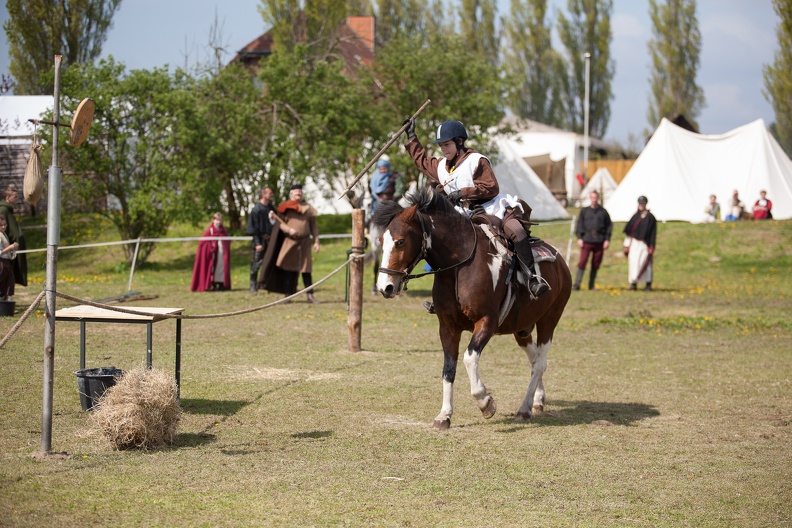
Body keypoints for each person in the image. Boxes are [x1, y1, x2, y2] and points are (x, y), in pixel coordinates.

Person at [403, 118, 549, 299]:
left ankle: (532, 279)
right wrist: (411, 137)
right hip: (462, 214)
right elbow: (422, 161)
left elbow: (491, 187)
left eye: (447, 144)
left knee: (516, 231)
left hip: (491, 207)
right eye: (441, 145)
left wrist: (463, 193)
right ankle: (445, 298)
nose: (443, 149)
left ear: (460, 142)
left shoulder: (476, 160)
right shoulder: (441, 166)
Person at [259, 184, 320, 303]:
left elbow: (314, 226)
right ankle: (288, 295)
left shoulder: (308, 208)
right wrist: (289, 230)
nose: (298, 193)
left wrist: (316, 241)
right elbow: (279, 224)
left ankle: (310, 295)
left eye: (300, 191)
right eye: (296, 192)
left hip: (305, 242)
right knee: (289, 269)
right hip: (290, 242)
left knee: (306, 269)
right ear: (291, 193)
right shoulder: (286, 207)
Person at [573, 190, 612, 291]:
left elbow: (609, 226)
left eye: (595, 197)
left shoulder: (603, 211)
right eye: (592, 197)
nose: (594, 199)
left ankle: (591, 285)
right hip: (587, 239)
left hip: (599, 240)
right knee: (582, 262)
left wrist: (607, 239)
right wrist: (580, 237)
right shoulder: (584, 211)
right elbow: (580, 224)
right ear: (590, 198)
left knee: (595, 263)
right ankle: (577, 284)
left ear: (597, 198)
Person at [190, 212, 231, 292]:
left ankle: (221, 283)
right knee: (213, 268)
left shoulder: (223, 232)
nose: (218, 222)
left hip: (221, 255)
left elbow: (227, 241)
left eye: (220, 220)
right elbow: (203, 243)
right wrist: (210, 248)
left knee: (221, 267)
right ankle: (213, 283)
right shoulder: (209, 231)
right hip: (213, 255)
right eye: (217, 220)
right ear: (213, 220)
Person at [623, 196, 657, 291]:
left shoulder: (650, 218)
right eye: (640, 203)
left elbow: (653, 233)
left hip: (644, 244)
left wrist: (652, 246)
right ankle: (633, 283)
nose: (641, 205)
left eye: (642, 203)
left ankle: (648, 284)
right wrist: (626, 244)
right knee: (633, 263)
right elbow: (629, 232)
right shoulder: (635, 216)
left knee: (645, 263)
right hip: (634, 243)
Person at [247, 186, 277, 294]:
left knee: (271, 263)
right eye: (269, 193)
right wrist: (257, 243)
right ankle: (253, 286)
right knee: (256, 264)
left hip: (271, 240)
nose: (271, 195)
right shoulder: (256, 210)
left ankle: (267, 285)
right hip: (260, 240)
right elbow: (254, 228)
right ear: (263, 195)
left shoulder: (271, 208)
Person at [0, 186, 27, 287]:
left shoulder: (8, 209)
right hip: (5, 250)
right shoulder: (3, 209)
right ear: (7, 198)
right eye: (15, 197)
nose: (17, 199)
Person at [0, 216, 19, 300]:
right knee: (2, 282)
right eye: (0, 225)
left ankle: (7, 301)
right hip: (1, 263)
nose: (3, 227)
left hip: (6, 262)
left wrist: (13, 249)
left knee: (9, 282)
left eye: (5, 224)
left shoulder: (3, 235)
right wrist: (10, 248)